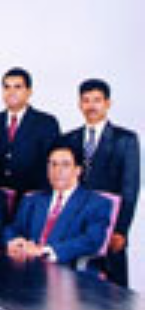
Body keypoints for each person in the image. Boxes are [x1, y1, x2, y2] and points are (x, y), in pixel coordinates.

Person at [66, 79, 140, 287]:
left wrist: (121, 230)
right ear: (79, 104)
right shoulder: (68, 139)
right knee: (72, 286)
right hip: (74, 227)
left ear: (108, 103)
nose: (91, 106)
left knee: (112, 291)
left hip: (110, 226)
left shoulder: (125, 140)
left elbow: (130, 188)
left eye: (97, 100)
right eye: (86, 100)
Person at [4, 142, 112, 267]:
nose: (58, 171)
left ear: (78, 170)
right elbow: (12, 229)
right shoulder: (32, 200)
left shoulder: (97, 203)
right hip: (26, 267)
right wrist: (15, 242)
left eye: (65, 165)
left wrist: (45, 251)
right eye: (53, 164)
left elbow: (92, 240)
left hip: (68, 270)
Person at [0, 67, 61, 196]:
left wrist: (42, 195)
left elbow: (53, 162)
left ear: (29, 92)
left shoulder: (46, 123)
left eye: (17, 87)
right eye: (7, 87)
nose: (11, 92)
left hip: (33, 197)